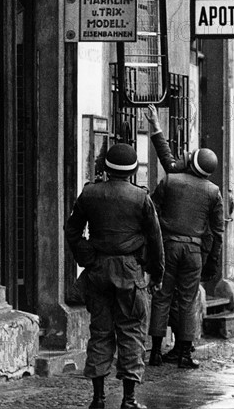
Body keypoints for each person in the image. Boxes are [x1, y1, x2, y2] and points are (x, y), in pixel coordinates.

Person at [65, 143, 164, 409]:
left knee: (100, 332)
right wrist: (157, 273)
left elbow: (72, 230)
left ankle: (98, 399)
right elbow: (155, 239)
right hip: (130, 272)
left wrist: (87, 257)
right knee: (131, 333)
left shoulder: (90, 193)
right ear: (133, 171)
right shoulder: (141, 198)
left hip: (98, 271)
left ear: (106, 168)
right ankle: (129, 400)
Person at [145, 104, 224, 369]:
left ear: (192, 162)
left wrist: (156, 129)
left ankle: (155, 352)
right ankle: (185, 355)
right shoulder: (213, 192)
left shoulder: (171, 180)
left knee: (162, 296)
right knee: (188, 301)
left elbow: (152, 212)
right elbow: (218, 232)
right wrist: (213, 261)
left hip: (168, 247)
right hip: (193, 252)